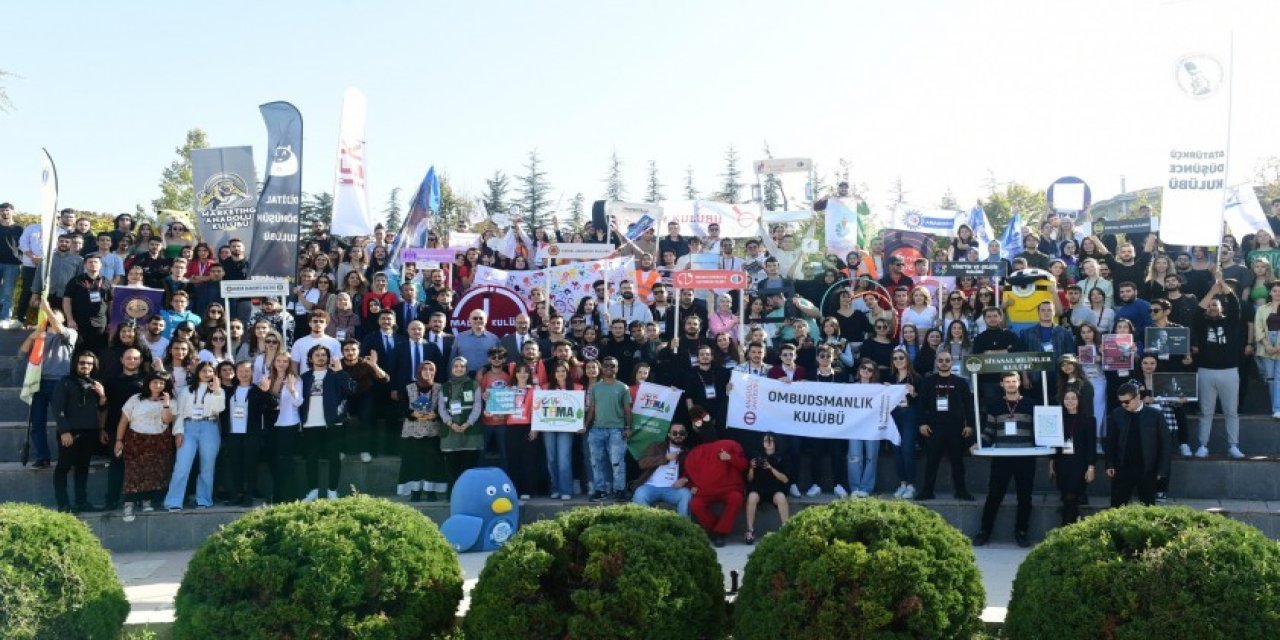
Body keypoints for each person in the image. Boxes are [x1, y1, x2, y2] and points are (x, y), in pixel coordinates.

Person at [973, 371, 1039, 548]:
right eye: (1007, 381)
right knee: (994, 495)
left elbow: (1038, 432)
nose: (1011, 384)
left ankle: (1022, 532)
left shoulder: (1031, 405)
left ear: (1019, 383)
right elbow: (989, 431)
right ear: (1002, 384)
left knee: (1025, 497)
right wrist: (979, 444)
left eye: (1014, 381)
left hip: (1026, 457)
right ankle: (984, 531)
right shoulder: (994, 405)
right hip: (1002, 457)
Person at [20, 298, 78, 468]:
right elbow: (21, 354)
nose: (49, 314)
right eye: (46, 313)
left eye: (54, 313)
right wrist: (31, 337)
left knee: (64, 421)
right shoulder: (39, 335)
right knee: (37, 421)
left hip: (60, 382)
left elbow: (60, 329)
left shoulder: (70, 332)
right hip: (37, 382)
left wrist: (46, 308)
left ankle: (67, 456)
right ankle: (42, 456)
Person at [113, 371, 178, 522]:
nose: (158, 385)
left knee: (154, 472)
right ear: (148, 383)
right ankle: (129, 504)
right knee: (133, 471)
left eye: (161, 382)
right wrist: (118, 440)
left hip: (159, 439)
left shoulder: (171, 401)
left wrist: (166, 404)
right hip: (136, 438)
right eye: (155, 382)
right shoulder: (135, 399)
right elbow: (123, 421)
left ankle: (146, 500)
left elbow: (167, 421)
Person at [1191, 278, 1244, 458]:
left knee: (1231, 411)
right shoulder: (1201, 322)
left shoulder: (1231, 322)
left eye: (1216, 305)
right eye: (1210, 305)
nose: (1212, 307)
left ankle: (1234, 445)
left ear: (1221, 307)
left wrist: (1222, 283)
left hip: (1229, 371)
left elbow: (1236, 304)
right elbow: (1198, 310)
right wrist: (1213, 291)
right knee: (1206, 411)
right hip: (1206, 370)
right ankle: (1203, 445)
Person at [298, 344, 357, 501]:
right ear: (311, 358)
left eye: (323, 355)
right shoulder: (304, 377)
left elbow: (351, 390)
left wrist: (340, 372)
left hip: (333, 423)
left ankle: (332, 491)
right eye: (317, 355)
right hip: (310, 423)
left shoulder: (335, 374)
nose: (320, 357)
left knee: (333, 457)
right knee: (311, 459)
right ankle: (313, 491)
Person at [51, 352, 108, 512]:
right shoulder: (65, 382)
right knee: (64, 467)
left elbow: (102, 409)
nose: (85, 366)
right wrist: (64, 431)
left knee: (83, 468)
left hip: (89, 431)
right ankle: (63, 504)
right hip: (70, 431)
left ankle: (81, 502)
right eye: (82, 363)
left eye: (89, 363)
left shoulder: (96, 384)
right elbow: (57, 408)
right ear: (76, 364)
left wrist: (102, 396)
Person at [163, 361, 224, 511]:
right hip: (188, 426)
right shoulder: (186, 390)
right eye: (203, 370)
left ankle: (203, 500)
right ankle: (173, 501)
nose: (206, 374)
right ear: (198, 372)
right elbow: (179, 413)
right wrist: (178, 432)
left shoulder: (218, 391)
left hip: (209, 426)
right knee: (182, 466)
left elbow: (219, 409)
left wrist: (216, 392)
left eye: (210, 371)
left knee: (207, 466)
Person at [916, 351, 976, 501]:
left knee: (958, 462)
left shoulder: (961, 382)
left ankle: (961, 491)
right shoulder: (928, 381)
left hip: (956, 428)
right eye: (941, 360)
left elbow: (969, 406)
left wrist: (970, 425)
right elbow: (921, 405)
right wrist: (922, 423)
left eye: (947, 360)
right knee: (931, 461)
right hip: (934, 428)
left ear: (951, 363)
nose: (944, 363)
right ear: (936, 363)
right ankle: (927, 491)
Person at [683, 416, 748, 547]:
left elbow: (744, 466)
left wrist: (730, 458)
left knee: (736, 498)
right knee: (695, 504)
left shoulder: (730, 446)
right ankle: (717, 531)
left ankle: (720, 532)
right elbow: (687, 475)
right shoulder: (694, 453)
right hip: (705, 492)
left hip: (729, 489)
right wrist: (691, 485)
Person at [1106, 382, 1172, 506]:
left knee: (1148, 507)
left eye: (1126, 401)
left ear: (1137, 397)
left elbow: (1166, 444)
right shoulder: (1117, 414)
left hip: (1147, 469)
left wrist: (1162, 470)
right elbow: (1110, 441)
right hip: (1122, 468)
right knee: (1116, 506)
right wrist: (1110, 463)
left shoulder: (1155, 415)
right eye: (1121, 402)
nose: (1123, 405)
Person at [397, 360, 449, 502]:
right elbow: (400, 407)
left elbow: (446, 406)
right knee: (414, 462)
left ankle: (430, 492)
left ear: (435, 372)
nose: (427, 372)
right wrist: (412, 414)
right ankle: (415, 492)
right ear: (419, 371)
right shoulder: (409, 387)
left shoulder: (441, 388)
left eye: (431, 369)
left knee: (432, 463)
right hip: (412, 431)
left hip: (433, 432)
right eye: (424, 369)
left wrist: (436, 414)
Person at [585, 356, 633, 502]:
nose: (609, 368)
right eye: (606, 366)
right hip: (596, 429)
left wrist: (628, 427)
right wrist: (585, 426)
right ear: (602, 368)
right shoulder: (595, 387)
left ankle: (619, 490)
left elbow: (627, 410)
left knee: (617, 462)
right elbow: (592, 409)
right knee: (596, 462)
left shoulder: (623, 387)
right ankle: (600, 491)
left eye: (612, 366)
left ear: (617, 369)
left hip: (617, 430)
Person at [220, 360, 267, 507]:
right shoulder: (229, 391)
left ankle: (249, 495)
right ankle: (237, 494)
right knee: (235, 465)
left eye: (247, 371)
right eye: (240, 371)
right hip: (233, 434)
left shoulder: (257, 390)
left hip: (251, 434)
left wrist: (265, 393)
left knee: (250, 465)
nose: (244, 374)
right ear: (236, 373)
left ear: (252, 372)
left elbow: (268, 407)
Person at [1049, 389, 1096, 525]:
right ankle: (1073, 526)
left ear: (1079, 400)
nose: (1070, 401)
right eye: (1067, 398)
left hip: (1079, 463)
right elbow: (1052, 442)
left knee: (1071, 495)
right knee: (1066, 496)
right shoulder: (1057, 418)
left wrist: (1091, 467)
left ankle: (1065, 528)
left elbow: (1091, 445)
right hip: (1062, 462)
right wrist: (1051, 462)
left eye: (1073, 398)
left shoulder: (1088, 419)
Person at [264, 352, 304, 503]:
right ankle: (277, 494)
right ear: (274, 363)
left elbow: (298, 403)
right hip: (272, 424)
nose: (281, 364)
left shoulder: (296, 379)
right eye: (278, 361)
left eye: (285, 361)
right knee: (273, 460)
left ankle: (289, 495)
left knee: (286, 460)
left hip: (289, 423)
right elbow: (270, 399)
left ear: (289, 363)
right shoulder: (268, 378)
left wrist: (292, 389)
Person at [631, 421, 693, 517]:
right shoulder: (657, 446)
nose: (678, 435)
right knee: (639, 493)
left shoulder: (688, 453)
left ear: (685, 435)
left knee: (686, 494)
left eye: (681, 433)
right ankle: (650, 525)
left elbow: (694, 472)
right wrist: (665, 458)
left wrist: (685, 479)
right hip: (651, 487)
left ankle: (683, 527)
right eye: (674, 433)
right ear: (669, 435)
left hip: (672, 490)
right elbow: (642, 463)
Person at [439, 356, 484, 484]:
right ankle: (453, 493)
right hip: (450, 432)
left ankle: (469, 493)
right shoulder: (444, 386)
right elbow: (441, 408)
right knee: (452, 466)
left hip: (470, 431)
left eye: (462, 366)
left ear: (467, 369)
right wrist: (450, 423)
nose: (459, 369)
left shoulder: (474, 384)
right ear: (451, 369)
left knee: (469, 467)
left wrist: (468, 423)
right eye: (456, 366)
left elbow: (477, 406)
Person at [744, 432, 790, 545]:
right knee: (752, 497)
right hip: (758, 488)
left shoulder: (782, 457)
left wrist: (771, 468)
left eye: (771, 440)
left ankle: (786, 529)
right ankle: (750, 530)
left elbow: (785, 479)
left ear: (775, 443)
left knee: (781, 498)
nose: (768, 443)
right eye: (765, 440)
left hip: (775, 489)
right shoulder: (757, 456)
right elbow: (749, 479)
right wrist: (751, 468)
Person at [290, 310, 343, 374]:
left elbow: (337, 364)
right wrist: (297, 380)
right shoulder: (299, 343)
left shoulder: (334, 342)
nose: (318, 324)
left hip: (329, 381)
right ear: (310, 323)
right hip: (305, 381)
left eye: (321, 321)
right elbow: (294, 364)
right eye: (315, 321)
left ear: (326, 324)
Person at [451, 309, 501, 375]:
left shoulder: (494, 339)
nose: (478, 320)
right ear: (469, 320)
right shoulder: (460, 338)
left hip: (486, 376)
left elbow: (499, 360)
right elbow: (452, 359)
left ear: (486, 320)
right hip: (464, 377)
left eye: (481, 318)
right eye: (475, 318)